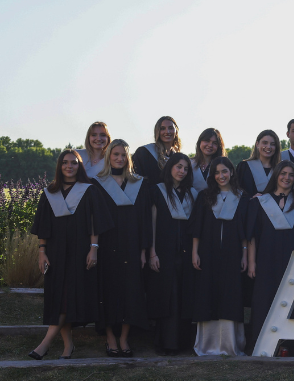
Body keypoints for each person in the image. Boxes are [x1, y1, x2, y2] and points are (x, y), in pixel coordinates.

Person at [28, 150, 112, 360]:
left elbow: (95, 222)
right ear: (59, 166)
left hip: (80, 251)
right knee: (59, 297)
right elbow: (43, 226)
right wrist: (42, 252)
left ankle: (45, 344)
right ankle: (68, 345)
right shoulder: (50, 192)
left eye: (74, 163)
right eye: (65, 162)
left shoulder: (89, 190)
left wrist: (93, 248)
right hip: (55, 252)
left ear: (79, 166)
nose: (69, 166)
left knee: (67, 297)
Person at [246, 161, 294, 352]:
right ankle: (264, 345)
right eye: (283, 173)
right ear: (276, 176)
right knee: (266, 300)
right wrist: (252, 262)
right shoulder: (259, 202)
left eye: (291, 175)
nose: (287, 178)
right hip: (266, 260)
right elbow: (253, 236)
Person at [92, 140, 149, 357]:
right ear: (109, 156)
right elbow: (94, 219)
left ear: (128, 158)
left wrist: (143, 251)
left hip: (132, 245)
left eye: (123, 155)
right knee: (107, 290)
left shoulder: (139, 184)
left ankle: (124, 337)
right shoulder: (98, 184)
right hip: (107, 245)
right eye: (115, 154)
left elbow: (144, 220)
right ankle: (110, 337)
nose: (119, 158)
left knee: (130, 291)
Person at [190, 157, 248, 356]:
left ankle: (230, 344)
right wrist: (195, 252)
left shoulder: (242, 197)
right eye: (216, 172)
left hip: (233, 253)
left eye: (224, 171)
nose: (221, 176)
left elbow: (244, 231)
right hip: (208, 253)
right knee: (208, 293)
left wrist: (244, 255)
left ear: (231, 172)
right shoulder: (205, 196)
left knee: (231, 295)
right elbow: (197, 227)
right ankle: (207, 344)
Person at [148, 153, 198, 356]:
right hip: (163, 252)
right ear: (170, 167)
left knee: (183, 296)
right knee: (167, 296)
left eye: (186, 168)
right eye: (178, 166)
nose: (182, 171)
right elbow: (152, 224)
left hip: (186, 253)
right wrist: (152, 252)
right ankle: (165, 343)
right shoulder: (157, 191)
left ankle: (182, 342)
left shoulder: (193, 194)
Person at [133, 116, 180, 182]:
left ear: (176, 131)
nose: (167, 132)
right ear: (157, 131)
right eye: (162, 128)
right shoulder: (144, 152)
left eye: (170, 128)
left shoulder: (178, 157)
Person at [238, 130, 281, 196]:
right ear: (257, 144)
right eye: (265, 143)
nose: (268, 147)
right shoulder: (244, 167)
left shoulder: (280, 169)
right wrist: (250, 199)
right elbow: (237, 193)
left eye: (273, 144)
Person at [190, 128, 225, 193]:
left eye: (214, 143)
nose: (210, 145)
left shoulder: (223, 166)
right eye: (207, 141)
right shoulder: (189, 164)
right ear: (200, 142)